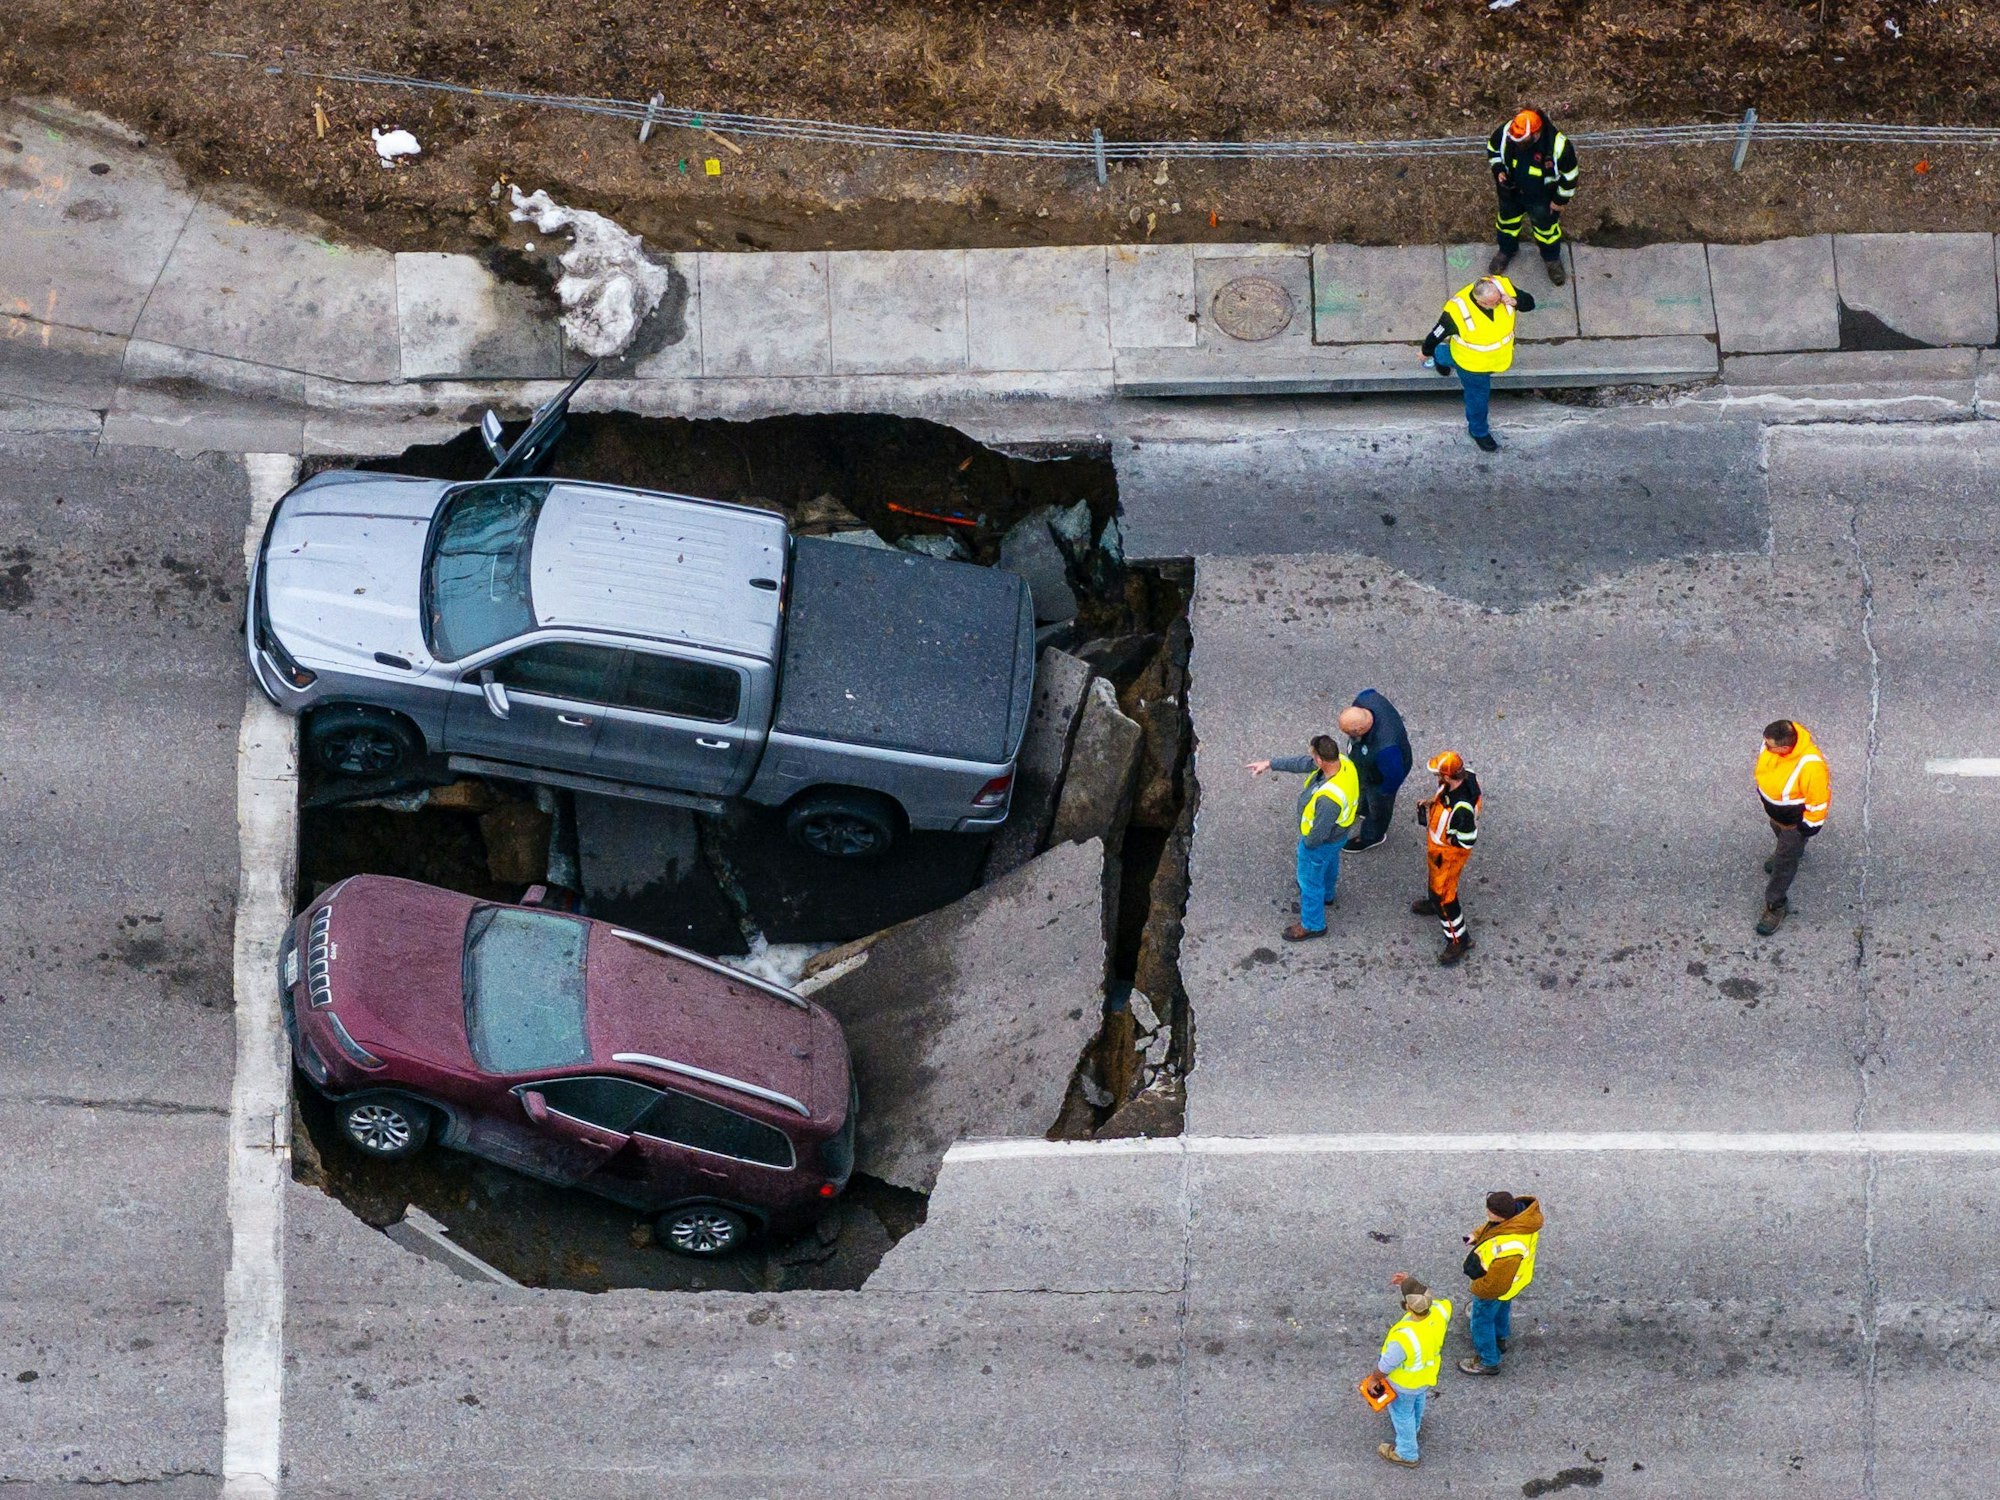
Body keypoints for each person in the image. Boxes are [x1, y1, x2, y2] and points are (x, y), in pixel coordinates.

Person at [1245, 734, 1359, 942]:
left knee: (1309, 881)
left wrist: (1306, 846)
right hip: (1338, 837)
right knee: (1329, 863)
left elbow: (1319, 833)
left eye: (1313, 756)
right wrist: (1270, 764)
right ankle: (1327, 896)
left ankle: (1313, 924)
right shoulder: (1344, 762)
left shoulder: (1329, 799)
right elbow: (1302, 763)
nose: (1310, 760)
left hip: (1321, 843)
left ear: (1320, 760)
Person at [1422, 276, 1537, 453]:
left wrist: (1515, 301)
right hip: (1472, 365)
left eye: (1498, 299)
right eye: (1492, 303)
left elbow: (1530, 304)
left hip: (1498, 357)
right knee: (1478, 399)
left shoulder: (1503, 287)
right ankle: (1478, 431)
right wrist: (1425, 352)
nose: (1498, 304)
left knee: (1448, 354)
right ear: (1478, 301)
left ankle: (1441, 355)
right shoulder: (1456, 313)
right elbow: (1435, 335)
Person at [1754, 718, 1830, 936]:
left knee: (1783, 865)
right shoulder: (1773, 746)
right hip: (1778, 816)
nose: (1765, 747)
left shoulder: (1811, 767)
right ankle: (1791, 851)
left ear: (1785, 748)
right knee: (1780, 840)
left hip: (1793, 825)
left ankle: (1776, 905)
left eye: (1770, 746)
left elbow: (1818, 803)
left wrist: (1805, 829)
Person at [1486, 108, 1580, 284]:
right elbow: (1493, 149)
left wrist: (1560, 200)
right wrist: (1498, 169)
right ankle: (1506, 250)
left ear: (1536, 133)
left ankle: (1551, 259)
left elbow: (1570, 177)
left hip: (1542, 199)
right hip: (1511, 192)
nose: (1516, 143)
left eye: (1521, 141)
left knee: (1547, 232)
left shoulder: (1558, 146)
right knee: (1507, 224)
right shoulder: (1509, 131)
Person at [1458, 1190, 1543, 1377]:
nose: (1487, 1214)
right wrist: (1476, 1235)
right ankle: (1500, 1338)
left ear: (1501, 1216)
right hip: (1512, 1284)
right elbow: (1493, 1229)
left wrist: (1477, 1289)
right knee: (1502, 1307)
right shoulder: (1519, 1220)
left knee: (1481, 1320)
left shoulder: (1509, 1251)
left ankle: (1488, 1361)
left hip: (1497, 1286)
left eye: (1489, 1212)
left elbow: (1495, 1286)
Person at [1372, 1272, 1453, 1468]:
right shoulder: (1442, 1311)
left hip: (1404, 1384)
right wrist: (1410, 1283)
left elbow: (1386, 1365)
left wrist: (1375, 1379)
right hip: (1426, 1376)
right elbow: (1433, 1302)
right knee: (1418, 1400)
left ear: (1408, 1307)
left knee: (1402, 1414)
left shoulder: (1404, 1338)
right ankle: (1415, 1427)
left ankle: (1407, 1453)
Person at [1412, 750, 1481, 965]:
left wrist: (1449, 843)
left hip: (1447, 855)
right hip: (1439, 851)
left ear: (1448, 777)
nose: (1437, 779)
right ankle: (1435, 903)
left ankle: (1458, 940)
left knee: (1445, 896)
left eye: (1439, 775)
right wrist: (1432, 804)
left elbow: (1467, 839)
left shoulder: (1462, 809)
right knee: (1436, 886)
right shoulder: (1463, 780)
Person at [1338, 690, 1412, 853]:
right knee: (1362, 789)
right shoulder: (1366, 698)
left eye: (1348, 733)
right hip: (1367, 768)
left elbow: (1393, 778)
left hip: (1382, 777)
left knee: (1378, 807)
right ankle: (1363, 808)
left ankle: (1372, 836)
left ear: (1358, 731)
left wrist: (1381, 794)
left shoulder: (1386, 748)